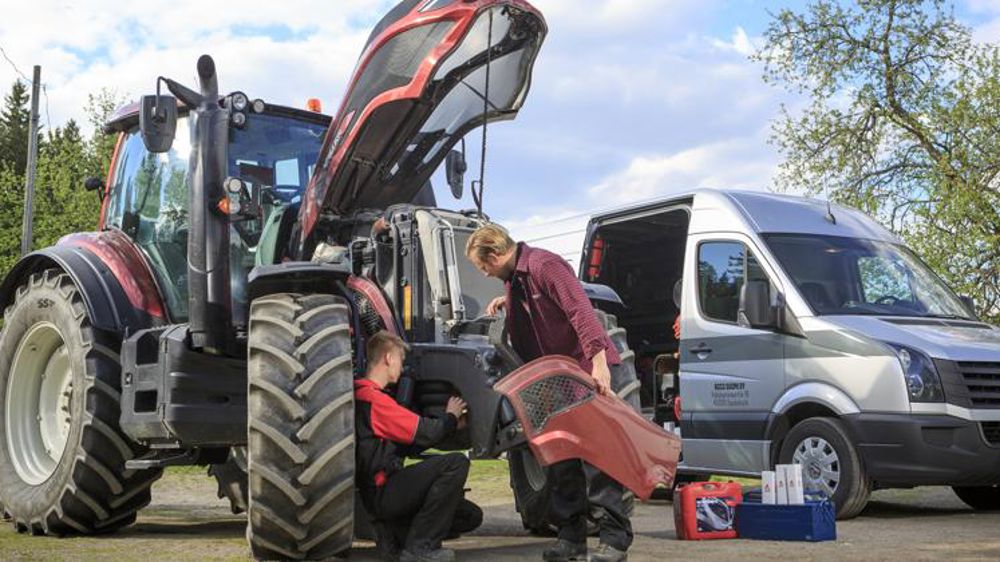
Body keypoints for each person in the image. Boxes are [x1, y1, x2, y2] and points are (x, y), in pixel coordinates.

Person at [465, 224, 637, 562]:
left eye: (482, 266)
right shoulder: (516, 280)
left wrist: (599, 364)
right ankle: (572, 539)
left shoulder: (546, 265)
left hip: (585, 372)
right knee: (561, 461)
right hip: (556, 380)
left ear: (496, 255)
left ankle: (615, 540)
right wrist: (509, 300)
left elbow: (580, 311)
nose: (483, 273)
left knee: (598, 460)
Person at [354, 330, 472, 562]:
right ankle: (420, 547)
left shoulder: (361, 396)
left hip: (377, 494)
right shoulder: (374, 400)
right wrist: (451, 417)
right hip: (383, 492)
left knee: (469, 516)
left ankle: (395, 535)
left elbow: (405, 444)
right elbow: (426, 432)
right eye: (400, 359)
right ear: (388, 358)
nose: (402, 365)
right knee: (456, 463)